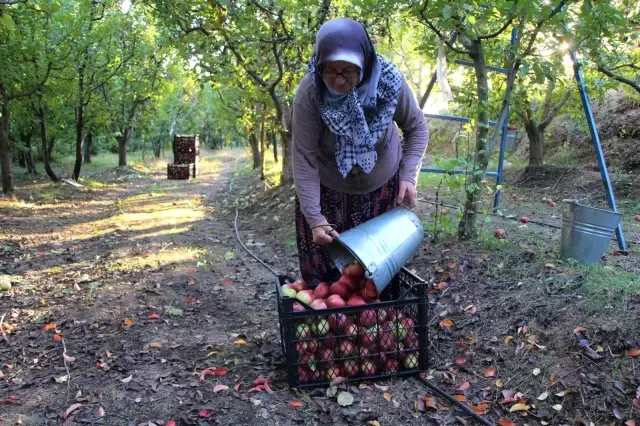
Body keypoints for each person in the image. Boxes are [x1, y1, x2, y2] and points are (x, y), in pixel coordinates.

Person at [291, 17, 429, 285]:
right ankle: (332, 326)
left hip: (381, 191)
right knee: (326, 282)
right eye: (330, 71)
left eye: (349, 71)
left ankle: (373, 326)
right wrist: (316, 219)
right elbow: (303, 157)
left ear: (365, 62)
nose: (340, 81)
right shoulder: (311, 92)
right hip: (328, 193)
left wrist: (409, 175)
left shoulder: (389, 82)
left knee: (377, 277)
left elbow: (417, 129)